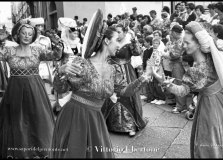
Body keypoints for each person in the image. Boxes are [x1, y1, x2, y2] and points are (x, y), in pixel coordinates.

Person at [51, 9, 152, 158]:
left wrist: (144, 77)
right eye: (117, 40)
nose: (119, 45)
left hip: (96, 119)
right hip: (75, 117)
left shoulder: (112, 68)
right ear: (106, 41)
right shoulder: (82, 63)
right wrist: (61, 71)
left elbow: (124, 92)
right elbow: (61, 88)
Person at [152, 21, 223, 158]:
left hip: (210, 107)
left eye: (187, 43)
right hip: (222, 101)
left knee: (209, 140)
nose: (184, 45)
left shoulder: (198, 70)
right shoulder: (212, 57)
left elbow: (183, 90)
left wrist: (164, 82)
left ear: (198, 44)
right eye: (184, 42)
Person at [0, 19, 63, 158]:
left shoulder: (38, 49)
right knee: (16, 121)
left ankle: (39, 151)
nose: (27, 36)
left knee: (37, 119)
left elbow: (56, 56)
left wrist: (58, 43)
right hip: (14, 91)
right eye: (24, 33)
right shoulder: (9, 50)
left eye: (30, 34)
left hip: (35, 90)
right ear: (17, 34)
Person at [101, 19, 147, 137]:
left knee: (128, 96)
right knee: (111, 94)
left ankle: (131, 125)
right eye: (116, 31)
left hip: (126, 71)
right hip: (112, 71)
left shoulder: (129, 42)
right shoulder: (111, 41)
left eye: (120, 31)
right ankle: (110, 123)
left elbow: (137, 52)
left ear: (125, 32)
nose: (118, 33)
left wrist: (135, 42)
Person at [164, 23, 187, 113]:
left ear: (174, 32)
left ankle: (180, 106)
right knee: (179, 82)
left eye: (171, 31)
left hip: (178, 64)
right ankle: (181, 105)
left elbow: (174, 55)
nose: (170, 33)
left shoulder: (179, 41)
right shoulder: (178, 40)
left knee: (178, 83)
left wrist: (166, 54)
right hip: (177, 63)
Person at [30, 17, 53, 85]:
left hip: (44, 67)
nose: (40, 28)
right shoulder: (27, 40)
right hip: (31, 68)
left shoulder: (46, 39)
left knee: (42, 89)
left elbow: (50, 54)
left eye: (41, 26)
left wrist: (51, 69)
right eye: (37, 26)